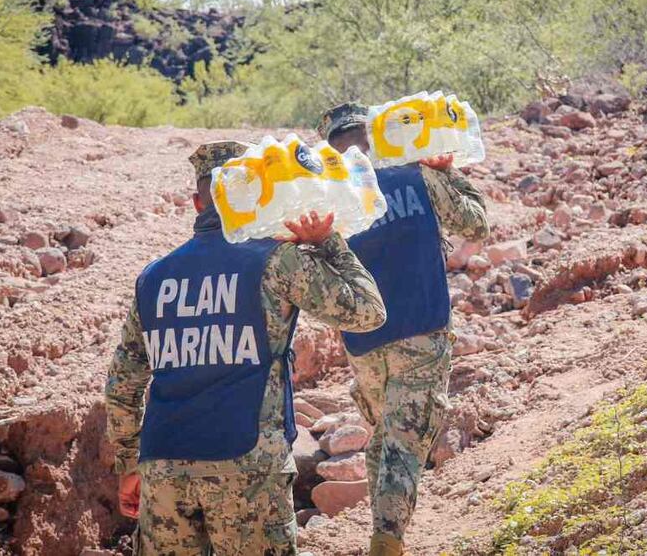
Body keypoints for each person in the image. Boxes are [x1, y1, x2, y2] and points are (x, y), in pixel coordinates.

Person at [105, 140, 387, 556]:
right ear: (257, 190)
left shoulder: (154, 277)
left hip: (165, 466)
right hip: (248, 466)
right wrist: (329, 241)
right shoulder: (276, 260)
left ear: (197, 201)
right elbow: (368, 312)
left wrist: (130, 464)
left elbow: (122, 385)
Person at [317, 103, 490, 556]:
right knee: (404, 439)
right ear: (376, 135)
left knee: (386, 433)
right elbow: (476, 223)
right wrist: (447, 172)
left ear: (330, 147)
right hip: (423, 328)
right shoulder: (417, 175)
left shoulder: (325, 198)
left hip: (364, 341)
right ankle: (388, 539)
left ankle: (383, 526)